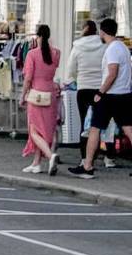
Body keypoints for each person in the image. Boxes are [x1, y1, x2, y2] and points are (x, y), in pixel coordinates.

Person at [71, 18, 132, 178]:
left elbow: (112, 73)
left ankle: (88, 166)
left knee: (94, 128)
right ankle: (88, 165)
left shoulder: (112, 49)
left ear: (103, 32)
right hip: (124, 94)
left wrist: (100, 92)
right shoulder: (123, 47)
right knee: (128, 129)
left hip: (111, 95)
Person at [66, 20, 113, 166]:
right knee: (104, 124)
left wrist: (77, 78)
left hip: (83, 89)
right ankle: (108, 157)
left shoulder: (77, 47)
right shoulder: (104, 46)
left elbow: (71, 69)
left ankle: (84, 158)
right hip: (101, 90)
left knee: (85, 125)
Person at [20, 24, 62, 175]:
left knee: (34, 131)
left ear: (37, 36)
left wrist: (23, 95)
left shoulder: (32, 54)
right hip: (51, 94)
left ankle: (51, 157)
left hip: (36, 95)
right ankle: (36, 163)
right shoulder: (57, 53)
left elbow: (28, 78)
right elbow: (52, 69)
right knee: (45, 130)